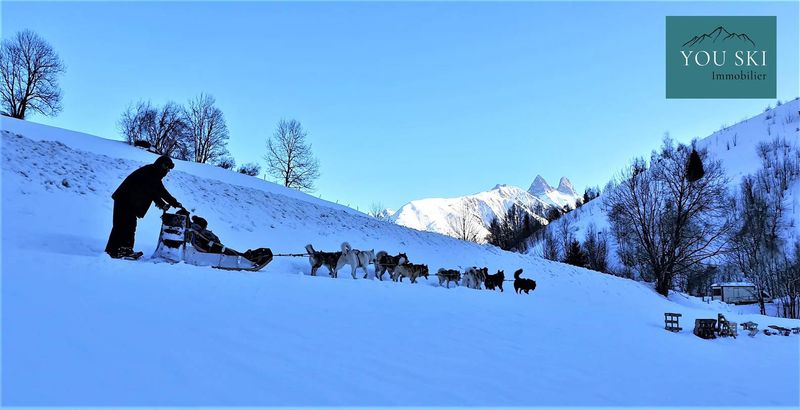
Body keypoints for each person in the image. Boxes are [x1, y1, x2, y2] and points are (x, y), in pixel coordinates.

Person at [105, 155, 182, 259]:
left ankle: (119, 250)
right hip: (125, 200)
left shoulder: (152, 173)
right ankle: (117, 250)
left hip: (127, 201)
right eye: (167, 167)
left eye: (169, 168)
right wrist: (169, 203)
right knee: (123, 225)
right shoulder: (150, 173)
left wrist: (169, 203)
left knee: (127, 225)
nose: (168, 171)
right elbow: (156, 191)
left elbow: (156, 191)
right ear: (161, 165)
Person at [188, 215, 272, 265]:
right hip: (213, 248)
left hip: (211, 247)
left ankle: (247, 256)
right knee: (232, 253)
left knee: (232, 252)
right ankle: (249, 258)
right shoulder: (201, 232)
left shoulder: (195, 231)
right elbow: (213, 241)